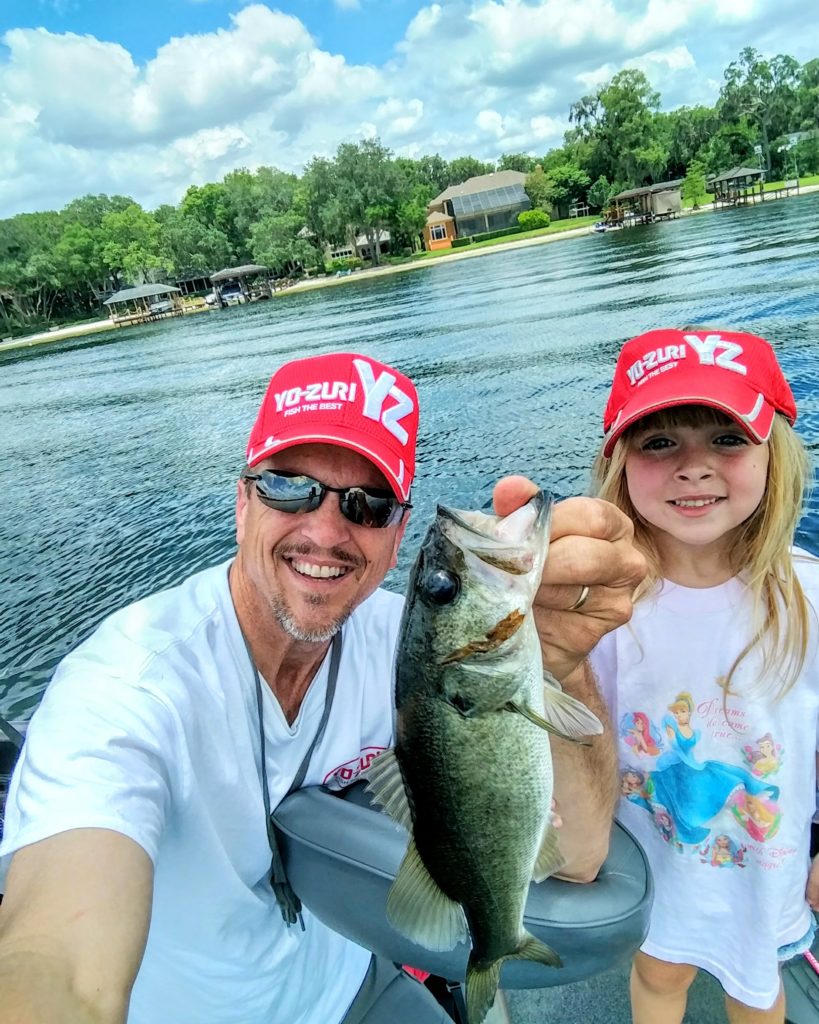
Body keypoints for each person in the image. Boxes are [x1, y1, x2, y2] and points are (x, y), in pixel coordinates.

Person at [0, 350, 644, 1024]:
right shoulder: (125, 690)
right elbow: (60, 962)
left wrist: (561, 668)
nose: (327, 531)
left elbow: (580, 861)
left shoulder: (415, 650)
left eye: (367, 506)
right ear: (242, 504)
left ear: (396, 540)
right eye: (288, 487)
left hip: (356, 985)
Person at [589, 327, 819, 1024]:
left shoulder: (809, 596)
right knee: (657, 975)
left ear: (772, 454)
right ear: (618, 463)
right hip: (651, 862)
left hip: (765, 858)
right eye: (658, 442)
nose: (693, 466)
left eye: (725, 438)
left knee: (757, 988)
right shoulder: (598, 612)